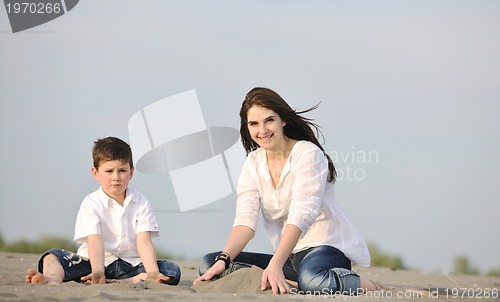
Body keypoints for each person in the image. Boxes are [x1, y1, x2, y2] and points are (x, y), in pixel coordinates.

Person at [194, 87, 381, 295]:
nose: (262, 130)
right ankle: (290, 280)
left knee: (312, 280)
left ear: (283, 120)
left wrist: (275, 264)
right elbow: (245, 221)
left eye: (269, 120)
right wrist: (224, 259)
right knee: (209, 263)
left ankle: (371, 286)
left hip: (325, 248)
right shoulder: (253, 163)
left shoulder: (307, 153)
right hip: (289, 256)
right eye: (254, 124)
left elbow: (301, 214)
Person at [25, 137, 181, 285]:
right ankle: (52, 279)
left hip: (130, 265)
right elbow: (94, 241)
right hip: (94, 263)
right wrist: (98, 271)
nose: (116, 177)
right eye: (109, 171)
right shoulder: (91, 203)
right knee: (52, 256)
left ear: (131, 172)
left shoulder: (141, 202)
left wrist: (153, 272)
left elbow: (144, 241)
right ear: (95, 172)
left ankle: (129, 279)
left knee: (171, 270)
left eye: (122, 170)